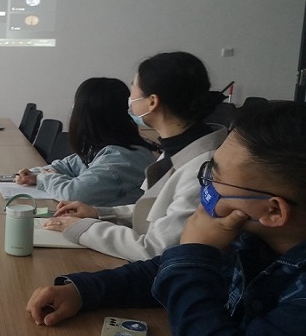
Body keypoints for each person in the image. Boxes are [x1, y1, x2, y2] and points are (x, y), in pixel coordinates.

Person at [26, 101, 306, 336]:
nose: (206, 186)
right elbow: (162, 271)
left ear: (273, 211)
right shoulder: (252, 236)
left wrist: (195, 254)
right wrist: (84, 290)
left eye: (215, 177)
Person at [42, 51, 227, 261]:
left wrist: (82, 227)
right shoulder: (177, 148)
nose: (129, 101)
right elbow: (156, 211)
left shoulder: (203, 168)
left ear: (152, 102)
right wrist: (99, 212)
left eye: (133, 90)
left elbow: (156, 248)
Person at [14, 77, 156, 206]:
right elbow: (67, 165)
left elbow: (73, 194)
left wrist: (45, 177)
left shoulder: (122, 158)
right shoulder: (102, 147)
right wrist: (34, 174)